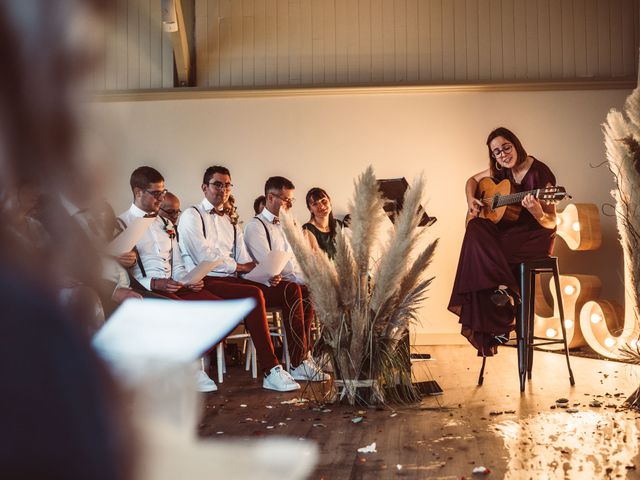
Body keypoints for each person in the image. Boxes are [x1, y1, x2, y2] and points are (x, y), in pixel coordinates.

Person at [179, 166, 326, 388]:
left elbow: (245, 259)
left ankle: (299, 361)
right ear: (204, 187)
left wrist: (265, 274)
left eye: (227, 185)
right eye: (218, 184)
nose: (223, 189)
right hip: (207, 279)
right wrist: (239, 266)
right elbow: (204, 257)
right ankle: (271, 369)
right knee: (253, 293)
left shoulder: (230, 221)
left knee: (292, 289)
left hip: (234, 279)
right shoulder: (192, 215)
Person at [448, 127, 558, 357]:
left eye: (506, 147)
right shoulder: (499, 171)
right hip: (507, 236)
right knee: (475, 227)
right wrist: (471, 200)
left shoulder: (540, 172)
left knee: (477, 257)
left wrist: (538, 212)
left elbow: (551, 222)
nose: (503, 154)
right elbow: (471, 181)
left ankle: (501, 315)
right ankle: (503, 295)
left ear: (515, 143)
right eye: (497, 152)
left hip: (533, 237)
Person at [118, 166, 222, 392]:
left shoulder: (165, 224)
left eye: (163, 193)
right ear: (138, 192)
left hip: (173, 286)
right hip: (146, 290)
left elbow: (177, 265)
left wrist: (189, 279)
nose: (161, 198)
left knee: (219, 309)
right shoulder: (121, 223)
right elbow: (123, 275)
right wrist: (154, 283)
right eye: (156, 194)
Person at [244, 176, 328, 381]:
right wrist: (298, 278)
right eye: (286, 199)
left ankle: (303, 356)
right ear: (271, 197)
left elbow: (299, 257)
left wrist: (309, 277)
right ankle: (297, 362)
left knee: (307, 290)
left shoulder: (291, 222)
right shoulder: (255, 226)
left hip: (286, 281)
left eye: (292, 199)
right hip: (263, 284)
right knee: (294, 289)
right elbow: (270, 264)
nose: (290, 204)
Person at [302, 187, 341, 260]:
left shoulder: (338, 224)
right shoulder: (307, 230)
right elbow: (318, 262)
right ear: (310, 209)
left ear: (329, 201)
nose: (321, 206)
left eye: (324, 201)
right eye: (315, 204)